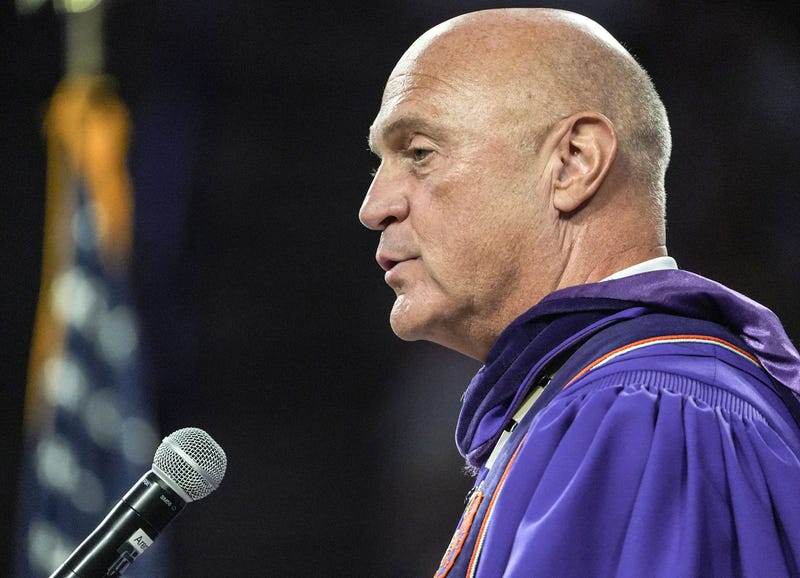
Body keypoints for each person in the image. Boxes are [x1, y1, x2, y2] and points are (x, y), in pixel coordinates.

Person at [359, 8, 800, 577]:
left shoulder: (646, 411)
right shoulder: (596, 401)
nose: (374, 207)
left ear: (573, 163)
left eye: (419, 153)